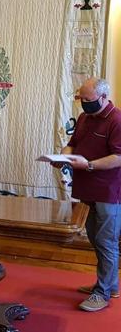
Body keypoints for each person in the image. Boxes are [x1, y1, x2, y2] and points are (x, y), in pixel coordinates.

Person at [54, 78, 121, 312]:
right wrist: (63, 157)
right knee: (94, 236)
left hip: (108, 191)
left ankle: (102, 292)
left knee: (106, 241)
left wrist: (89, 165)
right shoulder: (84, 118)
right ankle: (110, 285)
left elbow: (118, 157)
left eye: (88, 100)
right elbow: (72, 144)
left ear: (103, 97)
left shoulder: (117, 120)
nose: (83, 103)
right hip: (87, 188)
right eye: (80, 98)